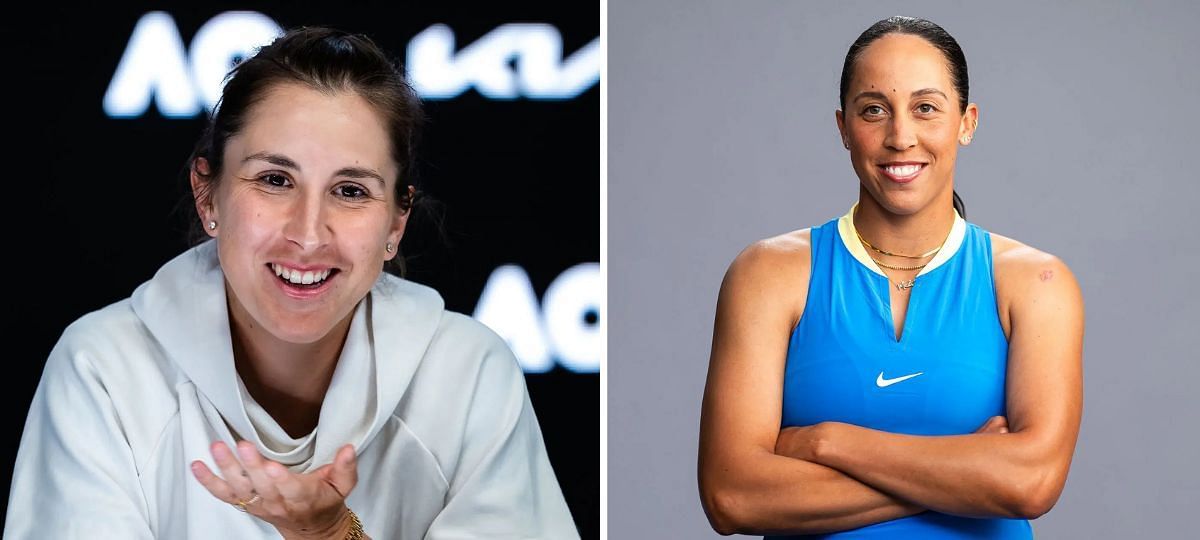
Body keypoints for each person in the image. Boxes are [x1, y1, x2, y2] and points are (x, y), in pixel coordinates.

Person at [4, 27, 577, 539]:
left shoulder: (468, 372)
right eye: (275, 180)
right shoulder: (103, 367)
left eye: (351, 190)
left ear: (396, 222)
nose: (308, 234)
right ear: (209, 194)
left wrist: (331, 536)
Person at [697, 16, 1083, 539]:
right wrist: (969, 471)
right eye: (874, 110)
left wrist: (826, 443)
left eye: (926, 108)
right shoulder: (769, 274)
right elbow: (732, 496)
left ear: (966, 122)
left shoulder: (1035, 283)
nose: (901, 137)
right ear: (843, 128)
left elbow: (1030, 484)